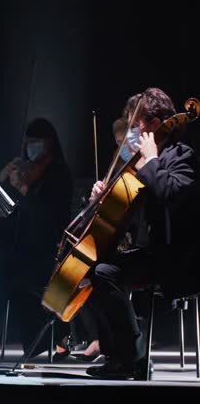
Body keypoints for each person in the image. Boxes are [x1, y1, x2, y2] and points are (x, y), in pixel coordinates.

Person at [85, 88, 200, 379]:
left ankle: (133, 357)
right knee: (94, 268)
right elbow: (124, 215)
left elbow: (170, 195)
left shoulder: (181, 157)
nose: (133, 130)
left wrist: (151, 162)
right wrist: (102, 198)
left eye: (138, 123)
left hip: (176, 257)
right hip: (148, 253)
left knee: (106, 273)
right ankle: (120, 355)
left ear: (157, 122)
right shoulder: (138, 165)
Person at [0, 118, 73, 358]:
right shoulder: (25, 170)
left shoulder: (58, 174)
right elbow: (10, 216)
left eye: (37, 143)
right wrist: (4, 183)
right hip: (24, 246)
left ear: (49, 143)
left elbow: (50, 218)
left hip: (49, 248)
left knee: (14, 274)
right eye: (28, 143)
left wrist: (24, 191)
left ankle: (44, 342)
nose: (31, 148)